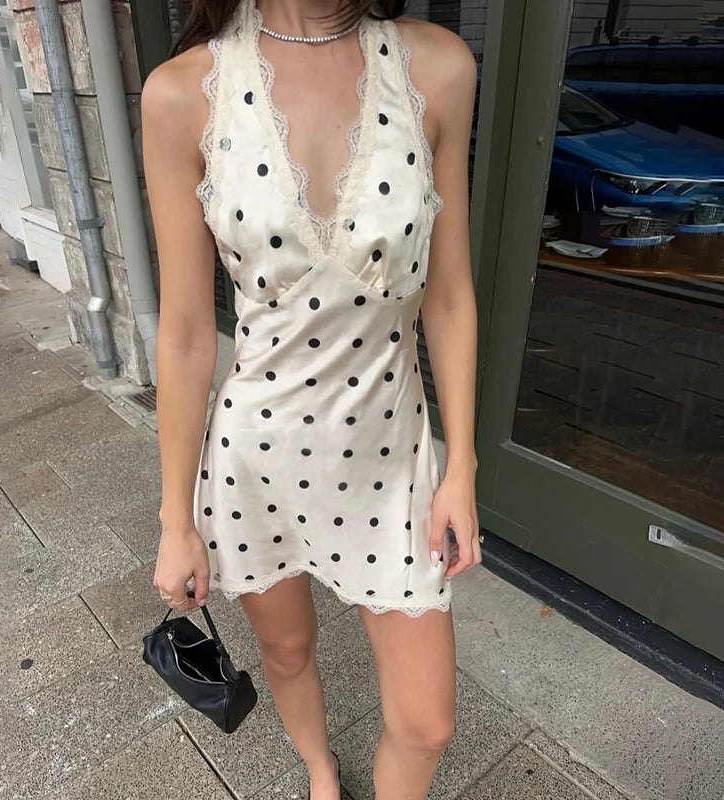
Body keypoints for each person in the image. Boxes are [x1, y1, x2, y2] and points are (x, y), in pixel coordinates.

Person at [143, 1, 479, 798]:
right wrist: (175, 520)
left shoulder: (437, 68)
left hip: (389, 459)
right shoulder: (183, 92)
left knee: (427, 723)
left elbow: (450, 296)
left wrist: (461, 465)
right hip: (258, 457)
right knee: (287, 651)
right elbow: (185, 337)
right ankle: (321, 772)